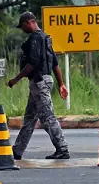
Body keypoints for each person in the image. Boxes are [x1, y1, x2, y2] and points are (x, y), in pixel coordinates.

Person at [7, 11, 70, 160]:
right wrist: (61, 84)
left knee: (47, 117)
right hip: (43, 80)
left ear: (29, 22)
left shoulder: (35, 39)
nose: (22, 30)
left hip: (39, 81)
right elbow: (55, 64)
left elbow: (33, 63)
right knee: (29, 118)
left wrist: (15, 79)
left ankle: (62, 149)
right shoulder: (45, 38)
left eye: (23, 26)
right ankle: (17, 150)